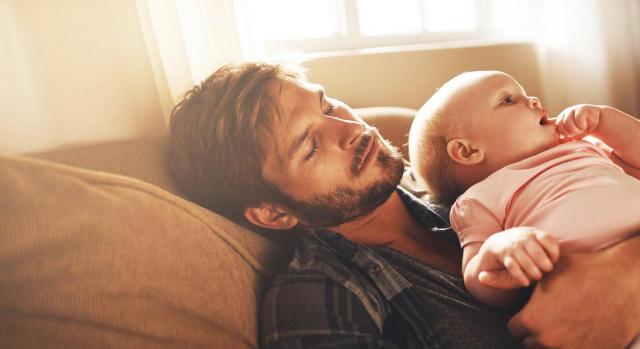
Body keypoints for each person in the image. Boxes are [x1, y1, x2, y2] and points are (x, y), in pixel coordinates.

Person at [169, 62, 640, 348]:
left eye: (329, 106)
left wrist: (624, 272)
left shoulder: (469, 187)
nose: (351, 130)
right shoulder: (321, 299)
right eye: (310, 146)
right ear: (273, 213)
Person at [408, 70, 640, 309]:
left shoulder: (583, 147)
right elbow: (479, 280)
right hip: (592, 294)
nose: (534, 101)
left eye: (525, 94)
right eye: (508, 100)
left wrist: (605, 121)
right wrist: (498, 249)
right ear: (468, 151)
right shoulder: (478, 199)